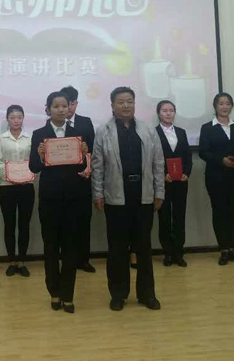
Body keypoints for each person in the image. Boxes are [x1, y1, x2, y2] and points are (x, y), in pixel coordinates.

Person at [92, 87, 164, 311]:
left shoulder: (147, 129)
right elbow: (97, 165)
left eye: (130, 101)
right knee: (117, 248)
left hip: (143, 195)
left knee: (144, 247)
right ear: (112, 105)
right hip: (116, 196)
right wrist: (98, 193)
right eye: (121, 102)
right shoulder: (103, 131)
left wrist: (159, 192)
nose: (126, 105)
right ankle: (118, 294)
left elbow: (158, 162)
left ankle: (147, 294)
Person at [29, 91, 90, 314]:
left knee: (71, 247)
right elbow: (33, 167)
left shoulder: (78, 134)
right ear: (48, 109)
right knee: (51, 247)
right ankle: (54, 291)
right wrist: (39, 155)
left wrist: (84, 154)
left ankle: (68, 294)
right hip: (50, 199)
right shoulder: (39, 134)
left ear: (70, 108)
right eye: (56, 106)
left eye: (65, 106)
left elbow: (82, 167)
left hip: (74, 198)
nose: (61, 109)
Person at [199, 92, 234, 266]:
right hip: (215, 176)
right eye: (221, 103)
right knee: (219, 212)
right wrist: (221, 160)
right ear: (215, 106)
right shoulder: (207, 127)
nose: (224, 106)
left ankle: (232, 248)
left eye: (228, 103)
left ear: (231, 106)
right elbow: (203, 152)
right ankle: (223, 249)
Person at [0, 105, 34, 277]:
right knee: (9, 225)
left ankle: (22, 261)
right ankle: (11, 261)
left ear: (23, 118)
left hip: (26, 187)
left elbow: (34, 162)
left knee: (24, 225)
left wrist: (25, 175)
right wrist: (10, 176)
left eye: (19, 117)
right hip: (7, 187)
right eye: (12, 117)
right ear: (7, 119)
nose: (16, 120)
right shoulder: (1, 139)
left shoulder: (30, 138)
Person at [61, 85, 96, 273]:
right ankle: (68, 259)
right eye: (65, 104)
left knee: (84, 221)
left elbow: (93, 149)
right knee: (65, 222)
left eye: (72, 103)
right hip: (63, 182)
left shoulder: (85, 122)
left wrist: (90, 168)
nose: (69, 107)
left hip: (83, 180)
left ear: (76, 103)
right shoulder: (54, 124)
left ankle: (84, 259)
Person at [155, 99, 193, 268]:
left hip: (181, 182)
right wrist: (163, 174)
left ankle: (179, 252)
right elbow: (151, 157)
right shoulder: (153, 132)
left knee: (179, 216)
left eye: (171, 110)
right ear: (159, 113)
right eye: (165, 110)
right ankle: (168, 253)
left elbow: (188, 156)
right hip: (162, 182)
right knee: (164, 217)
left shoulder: (181, 132)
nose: (168, 113)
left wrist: (186, 173)